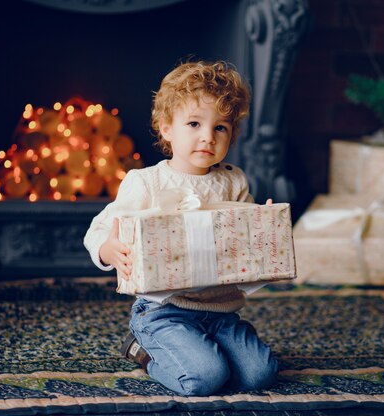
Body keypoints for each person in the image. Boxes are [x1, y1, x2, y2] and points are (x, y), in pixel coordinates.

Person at [83, 60, 278, 396]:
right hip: (164, 309)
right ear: (166, 128)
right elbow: (99, 229)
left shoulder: (234, 181)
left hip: (221, 311)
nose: (207, 137)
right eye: (193, 123)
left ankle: (209, 348)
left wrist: (263, 229)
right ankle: (142, 350)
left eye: (220, 127)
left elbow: (241, 247)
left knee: (260, 376)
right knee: (205, 378)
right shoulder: (146, 182)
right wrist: (108, 249)